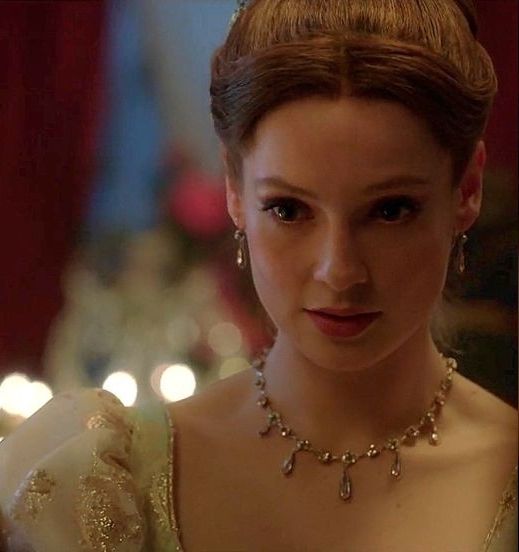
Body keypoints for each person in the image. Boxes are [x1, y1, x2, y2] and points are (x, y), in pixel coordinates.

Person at [0, 0, 516, 550]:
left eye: (390, 211)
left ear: (466, 191)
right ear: (234, 190)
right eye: (289, 210)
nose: (340, 272)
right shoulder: (96, 485)